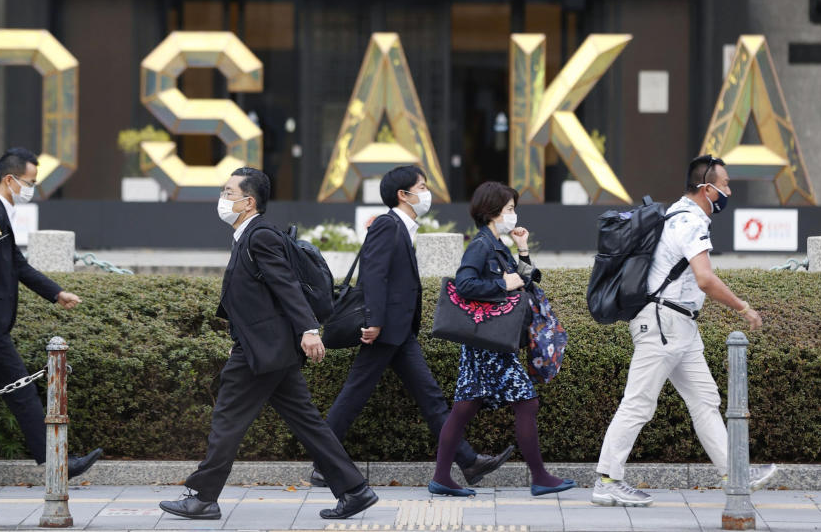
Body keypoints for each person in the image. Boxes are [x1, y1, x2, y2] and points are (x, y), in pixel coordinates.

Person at [159, 167, 377, 521]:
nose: (222, 198)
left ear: (249, 201)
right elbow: (257, 299)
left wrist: (309, 329)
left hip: (264, 351)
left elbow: (286, 285)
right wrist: (241, 338)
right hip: (268, 348)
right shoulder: (247, 235)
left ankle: (202, 496)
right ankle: (354, 490)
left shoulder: (260, 235)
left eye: (228, 192)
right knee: (307, 422)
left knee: (227, 418)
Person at [592, 155, 777, 507]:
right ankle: (607, 480)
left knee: (705, 400)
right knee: (638, 404)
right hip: (664, 324)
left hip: (679, 326)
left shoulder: (677, 212)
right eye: (724, 185)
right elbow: (705, 279)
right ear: (707, 189)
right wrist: (743, 307)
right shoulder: (692, 222)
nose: (728, 191)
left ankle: (734, 473)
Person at [313, 166, 513, 489]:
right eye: (421, 186)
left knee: (430, 397)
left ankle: (468, 462)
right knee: (354, 396)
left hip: (399, 332)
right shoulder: (388, 226)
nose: (426, 192)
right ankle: (323, 463)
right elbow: (374, 276)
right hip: (384, 331)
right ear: (402, 195)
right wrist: (374, 321)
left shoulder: (399, 227)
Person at [0, 147, 102, 479]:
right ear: (9, 179)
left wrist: (56, 293)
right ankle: (56, 463)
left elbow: (17, 264)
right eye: (30, 182)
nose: (32, 189)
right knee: (22, 392)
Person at [430, 182, 575, 497]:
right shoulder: (480, 245)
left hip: (486, 342)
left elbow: (522, 282)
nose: (514, 215)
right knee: (526, 402)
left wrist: (522, 250)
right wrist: (501, 283)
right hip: (489, 344)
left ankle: (442, 477)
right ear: (492, 211)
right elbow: (465, 284)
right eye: (509, 209)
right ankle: (539, 477)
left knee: (465, 408)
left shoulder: (495, 244)